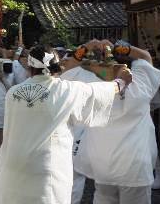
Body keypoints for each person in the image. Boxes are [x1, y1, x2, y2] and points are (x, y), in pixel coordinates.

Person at [0, 41, 132, 204]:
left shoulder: (12, 92)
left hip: (13, 166)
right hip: (46, 169)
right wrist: (121, 81)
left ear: (29, 67)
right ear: (57, 65)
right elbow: (100, 91)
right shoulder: (66, 90)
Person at [74, 40, 160, 204]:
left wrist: (88, 46)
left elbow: (69, 64)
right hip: (135, 167)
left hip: (103, 165)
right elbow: (144, 55)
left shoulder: (91, 89)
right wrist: (120, 47)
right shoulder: (141, 84)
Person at [59, 50, 105, 204]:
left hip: (68, 130)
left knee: (67, 173)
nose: (63, 64)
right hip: (83, 130)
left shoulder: (65, 75)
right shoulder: (98, 79)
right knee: (76, 174)